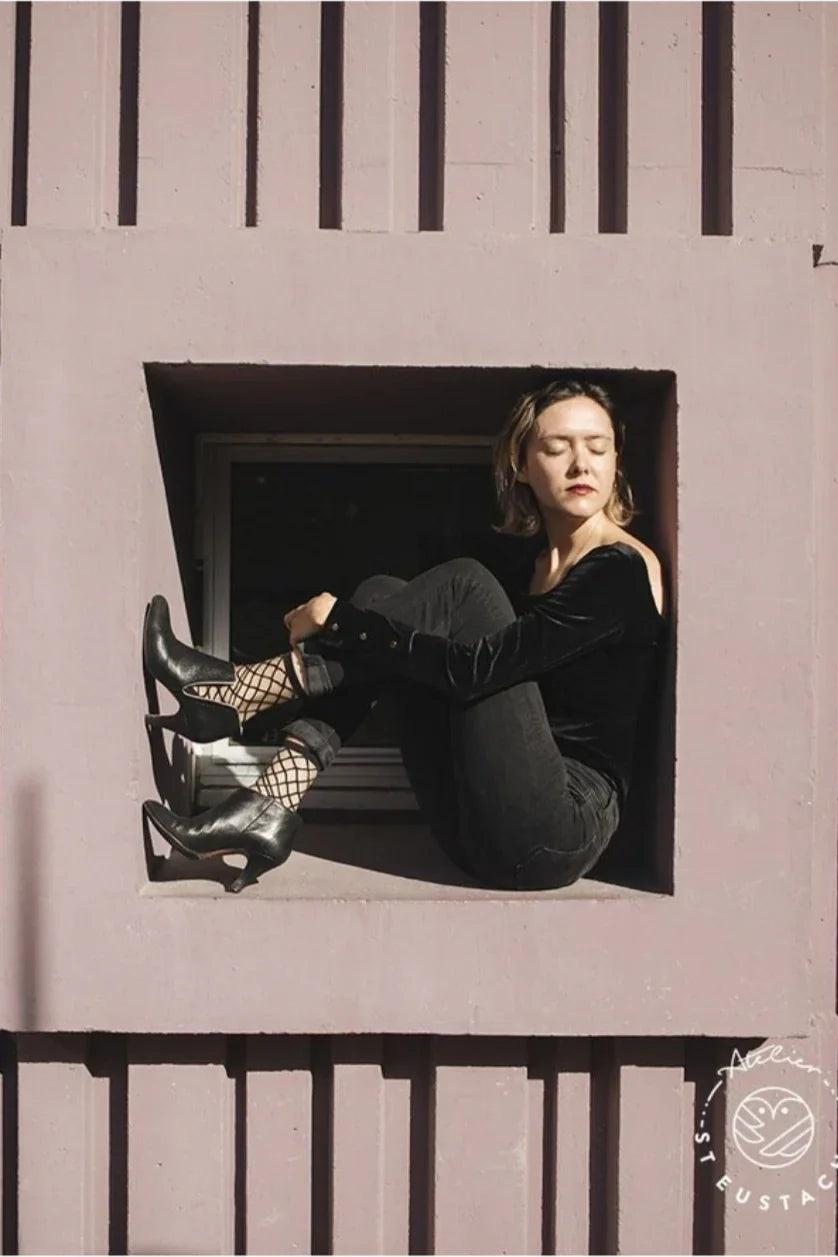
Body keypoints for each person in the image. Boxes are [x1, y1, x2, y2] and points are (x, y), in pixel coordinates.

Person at [142, 379, 667, 894]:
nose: (581, 464)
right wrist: (356, 622)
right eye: (557, 448)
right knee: (385, 593)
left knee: (455, 588)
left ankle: (244, 691)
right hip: (471, 824)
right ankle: (272, 799)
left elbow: (475, 671)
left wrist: (340, 622)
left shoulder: (620, 569)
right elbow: (446, 670)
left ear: (616, 460)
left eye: (598, 448)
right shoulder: (527, 570)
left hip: (557, 831)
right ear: (521, 466)